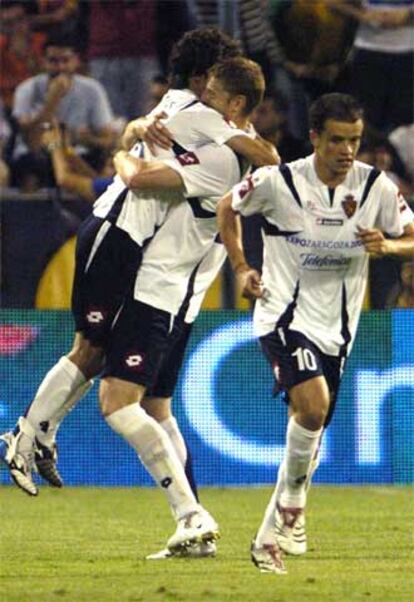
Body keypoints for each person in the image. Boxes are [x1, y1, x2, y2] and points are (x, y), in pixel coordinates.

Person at [1, 31, 276, 554]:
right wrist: (129, 149)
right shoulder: (194, 112)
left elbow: (254, 150)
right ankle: (30, 434)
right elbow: (260, 153)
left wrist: (127, 148)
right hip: (118, 237)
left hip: (162, 274)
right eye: (215, 78)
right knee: (97, 352)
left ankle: (37, 436)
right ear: (201, 80)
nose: (214, 90)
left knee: (132, 387)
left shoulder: (206, 123)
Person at [217, 92, 414, 574]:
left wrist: (389, 246)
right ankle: (294, 507)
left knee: (310, 427)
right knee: (313, 406)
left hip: (338, 330)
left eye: (355, 140)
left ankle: (271, 537)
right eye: (337, 140)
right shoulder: (279, 181)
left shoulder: (377, 188)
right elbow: (227, 207)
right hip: (282, 314)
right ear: (314, 139)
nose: (347, 150)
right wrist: (242, 267)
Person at [11, 35, 117, 187]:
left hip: (77, 155)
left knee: (98, 161)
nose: (60, 67)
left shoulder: (92, 89)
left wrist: (86, 139)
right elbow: (32, 142)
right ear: (43, 62)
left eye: (65, 61)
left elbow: (108, 139)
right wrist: (53, 99)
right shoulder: (26, 89)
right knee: (30, 164)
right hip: (37, 155)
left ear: (76, 61)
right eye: (53, 61)